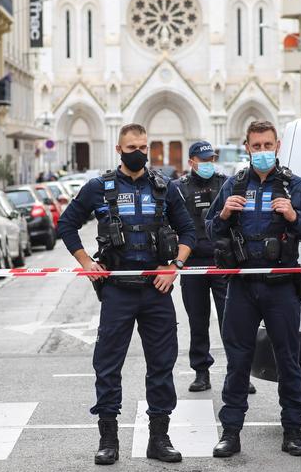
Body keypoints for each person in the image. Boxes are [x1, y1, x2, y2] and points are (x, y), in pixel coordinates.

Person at [58, 123, 195, 465]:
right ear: (119, 150)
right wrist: (86, 261)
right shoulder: (98, 187)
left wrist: (174, 266)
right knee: (107, 366)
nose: (139, 152)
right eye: (132, 146)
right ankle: (108, 439)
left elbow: (189, 230)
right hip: (117, 290)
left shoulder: (164, 187)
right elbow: (66, 224)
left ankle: (159, 438)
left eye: (144, 146)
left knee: (162, 366)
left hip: (155, 289)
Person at [205, 120, 301, 458]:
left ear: (277, 147)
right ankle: (230, 433)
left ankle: (292, 432)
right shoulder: (234, 185)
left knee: (288, 360)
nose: (261, 152)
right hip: (242, 286)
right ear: (247, 148)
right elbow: (211, 233)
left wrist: (294, 217)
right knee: (238, 362)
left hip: (281, 288)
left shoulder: (294, 188)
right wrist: (225, 214)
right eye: (255, 146)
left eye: (267, 145)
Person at [175, 141, 257, 394]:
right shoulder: (178, 189)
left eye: (211, 159)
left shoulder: (225, 183)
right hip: (193, 264)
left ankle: (240, 372)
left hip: (222, 261)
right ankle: (201, 372)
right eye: (203, 160)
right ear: (191, 162)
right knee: (197, 320)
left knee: (230, 320)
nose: (209, 164)